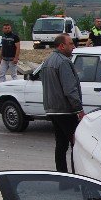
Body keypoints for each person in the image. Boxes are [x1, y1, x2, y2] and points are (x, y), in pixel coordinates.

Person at [42, 34, 85, 173]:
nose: (73, 47)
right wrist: (79, 109)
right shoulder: (64, 62)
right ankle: (76, 176)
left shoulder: (47, 61)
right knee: (76, 143)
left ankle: (62, 177)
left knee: (61, 145)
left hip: (52, 110)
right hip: (66, 110)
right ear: (62, 46)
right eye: (71, 44)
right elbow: (70, 89)